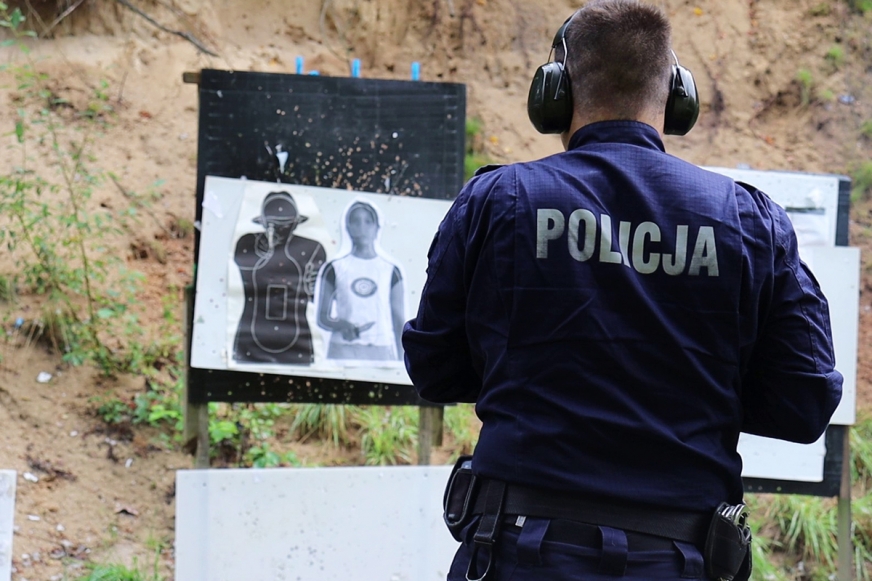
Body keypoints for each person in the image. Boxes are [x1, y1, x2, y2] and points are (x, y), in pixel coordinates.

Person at [402, 1, 843, 580]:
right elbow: (804, 402)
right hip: (679, 559)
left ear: (553, 93)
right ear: (677, 95)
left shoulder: (496, 200)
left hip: (514, 554)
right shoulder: (750, 221)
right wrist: (697, 389)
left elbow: (435, 367)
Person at [233, 191, 326, 365]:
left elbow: (317, 294)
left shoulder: (312, 249)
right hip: (252, 336)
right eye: (274, 225)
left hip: (297, 339)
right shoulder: (248, 243)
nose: (279, 230)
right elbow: (242, 263)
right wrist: (263, 253)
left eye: (285, 224)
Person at [316, 200, 405, 361]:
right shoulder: (335, 268)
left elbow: (398, 319)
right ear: (347, 227)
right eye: (355, 221)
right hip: (342, 350)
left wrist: (403, 361)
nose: (362, 228)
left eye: (368, 222)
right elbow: (322, 317)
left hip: (380, 351)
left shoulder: (390, 270)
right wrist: (343, 325)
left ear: (377, 227)